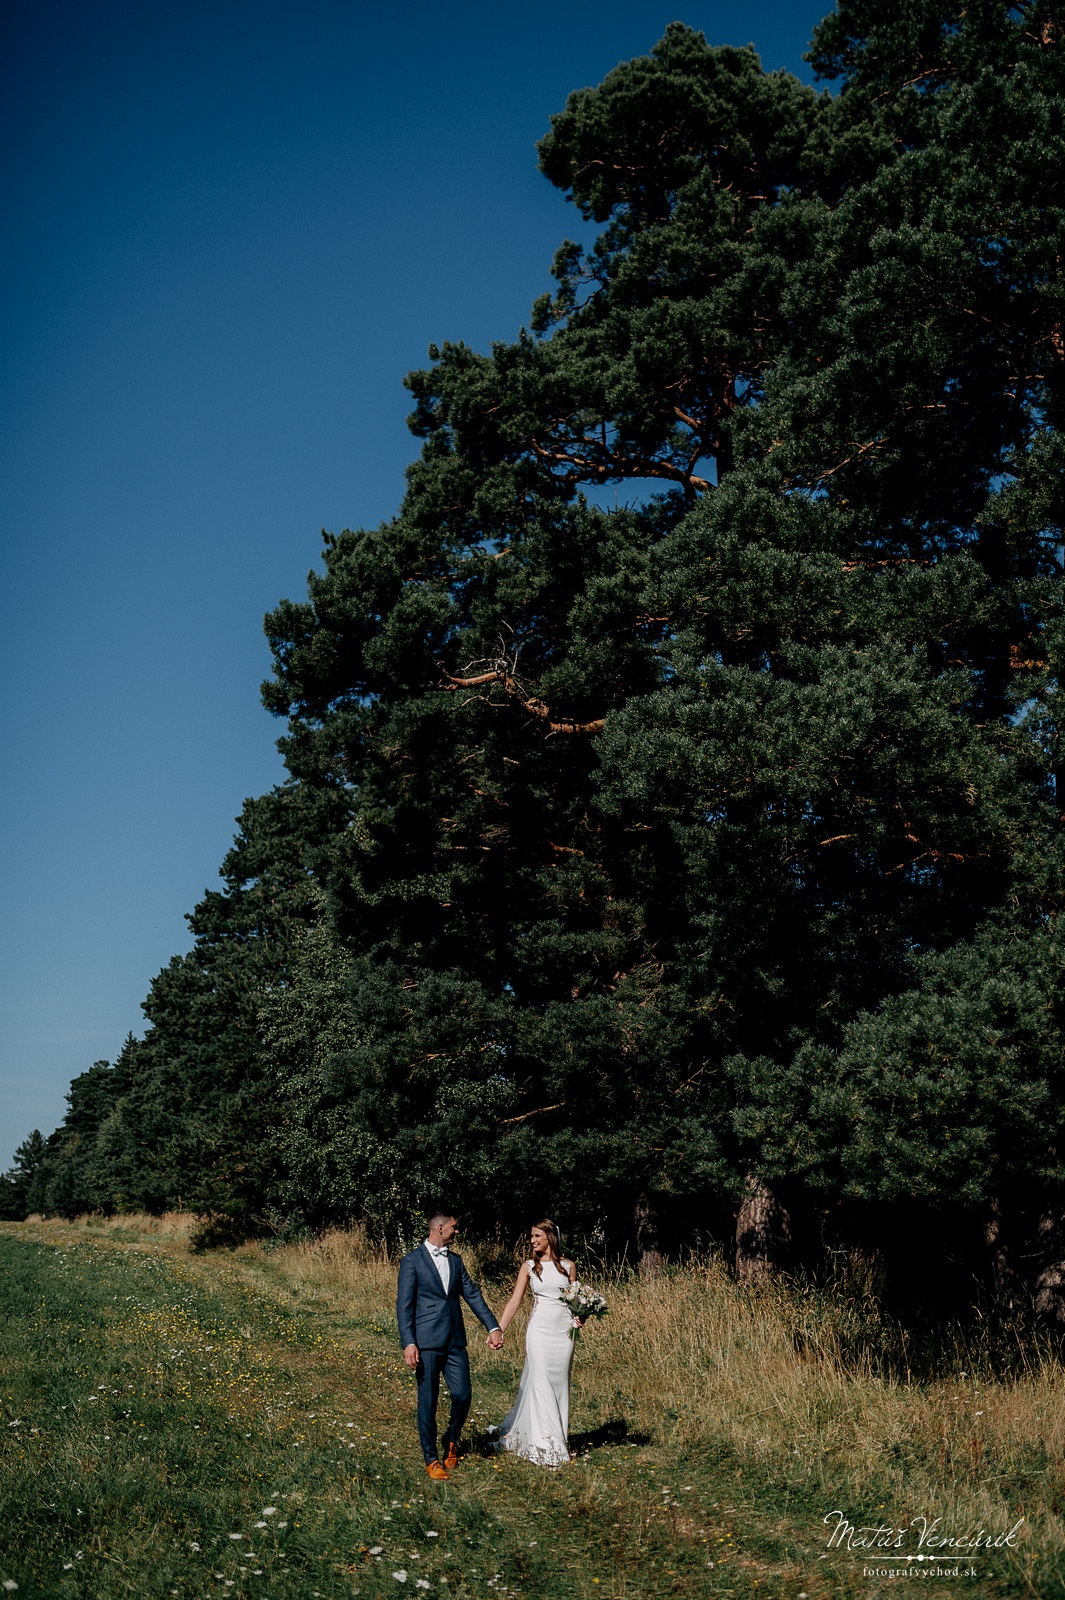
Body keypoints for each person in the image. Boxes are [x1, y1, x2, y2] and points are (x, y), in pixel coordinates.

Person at [396, 1209, 503, 1481]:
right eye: (454, 1227)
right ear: (440, 1228)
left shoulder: (456, 1261)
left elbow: (472, 1294)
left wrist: (493, 1326)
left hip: (455, 1339)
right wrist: (409, 1342)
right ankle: (431, 1459)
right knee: (428, 1401)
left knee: (463, 1394)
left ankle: (451, 1440)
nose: (457, 1232)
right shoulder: (412, 1261)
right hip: (426, 1341)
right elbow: (404, 1306)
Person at [491, 1217, 581, 1467]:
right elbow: (514, 1302)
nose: (532, 1240)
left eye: (536, 1236)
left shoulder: (568, 1266)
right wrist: (498, 1329)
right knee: (541, 1383)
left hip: (563, 1334)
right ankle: (549, 1447)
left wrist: (581, 1317)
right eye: (531, 1236)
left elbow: (575, 1301)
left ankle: (558, 1437)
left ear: (550, 1237)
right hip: (539, 1332)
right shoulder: (529, 1267)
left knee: (559, 1385)